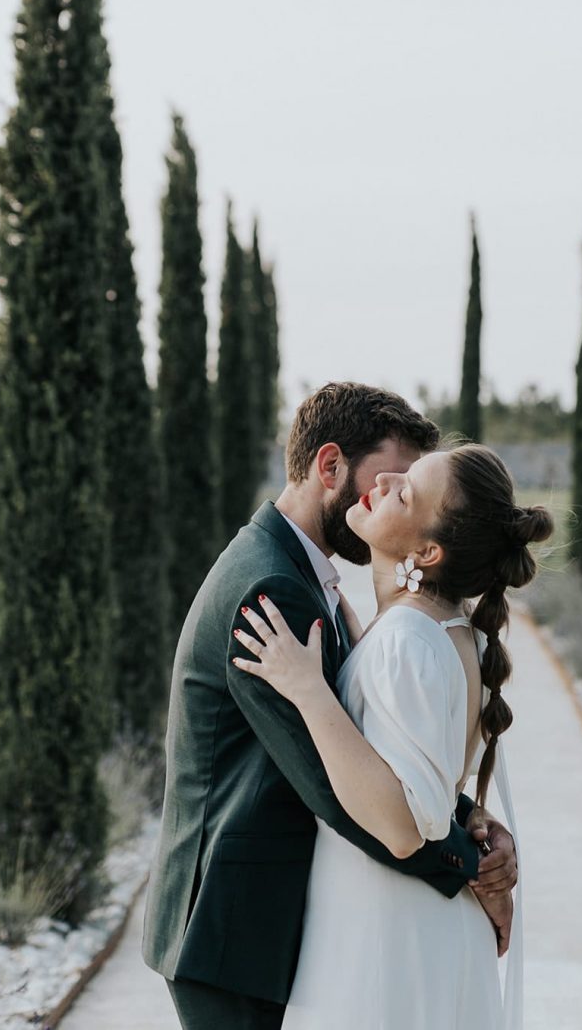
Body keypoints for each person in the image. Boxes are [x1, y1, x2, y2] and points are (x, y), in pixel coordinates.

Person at [142, 383, 521, 1030]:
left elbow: (377, 752)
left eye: (406, 484)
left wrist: (470, 823)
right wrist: (467, 866)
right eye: (390, 473)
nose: (389, 488)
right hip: (232, 928)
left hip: (264, 924)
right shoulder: (271, 587)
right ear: (330, 466)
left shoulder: (305, 576)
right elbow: (332, 789)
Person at [232, 442, 553, 1029]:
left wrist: (309, 691)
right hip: (418, 927)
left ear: (427, 551)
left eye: (405, 489)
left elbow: (405, 827)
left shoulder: (408, 638)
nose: (383, 482)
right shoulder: (441, 628)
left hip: (388, 938)